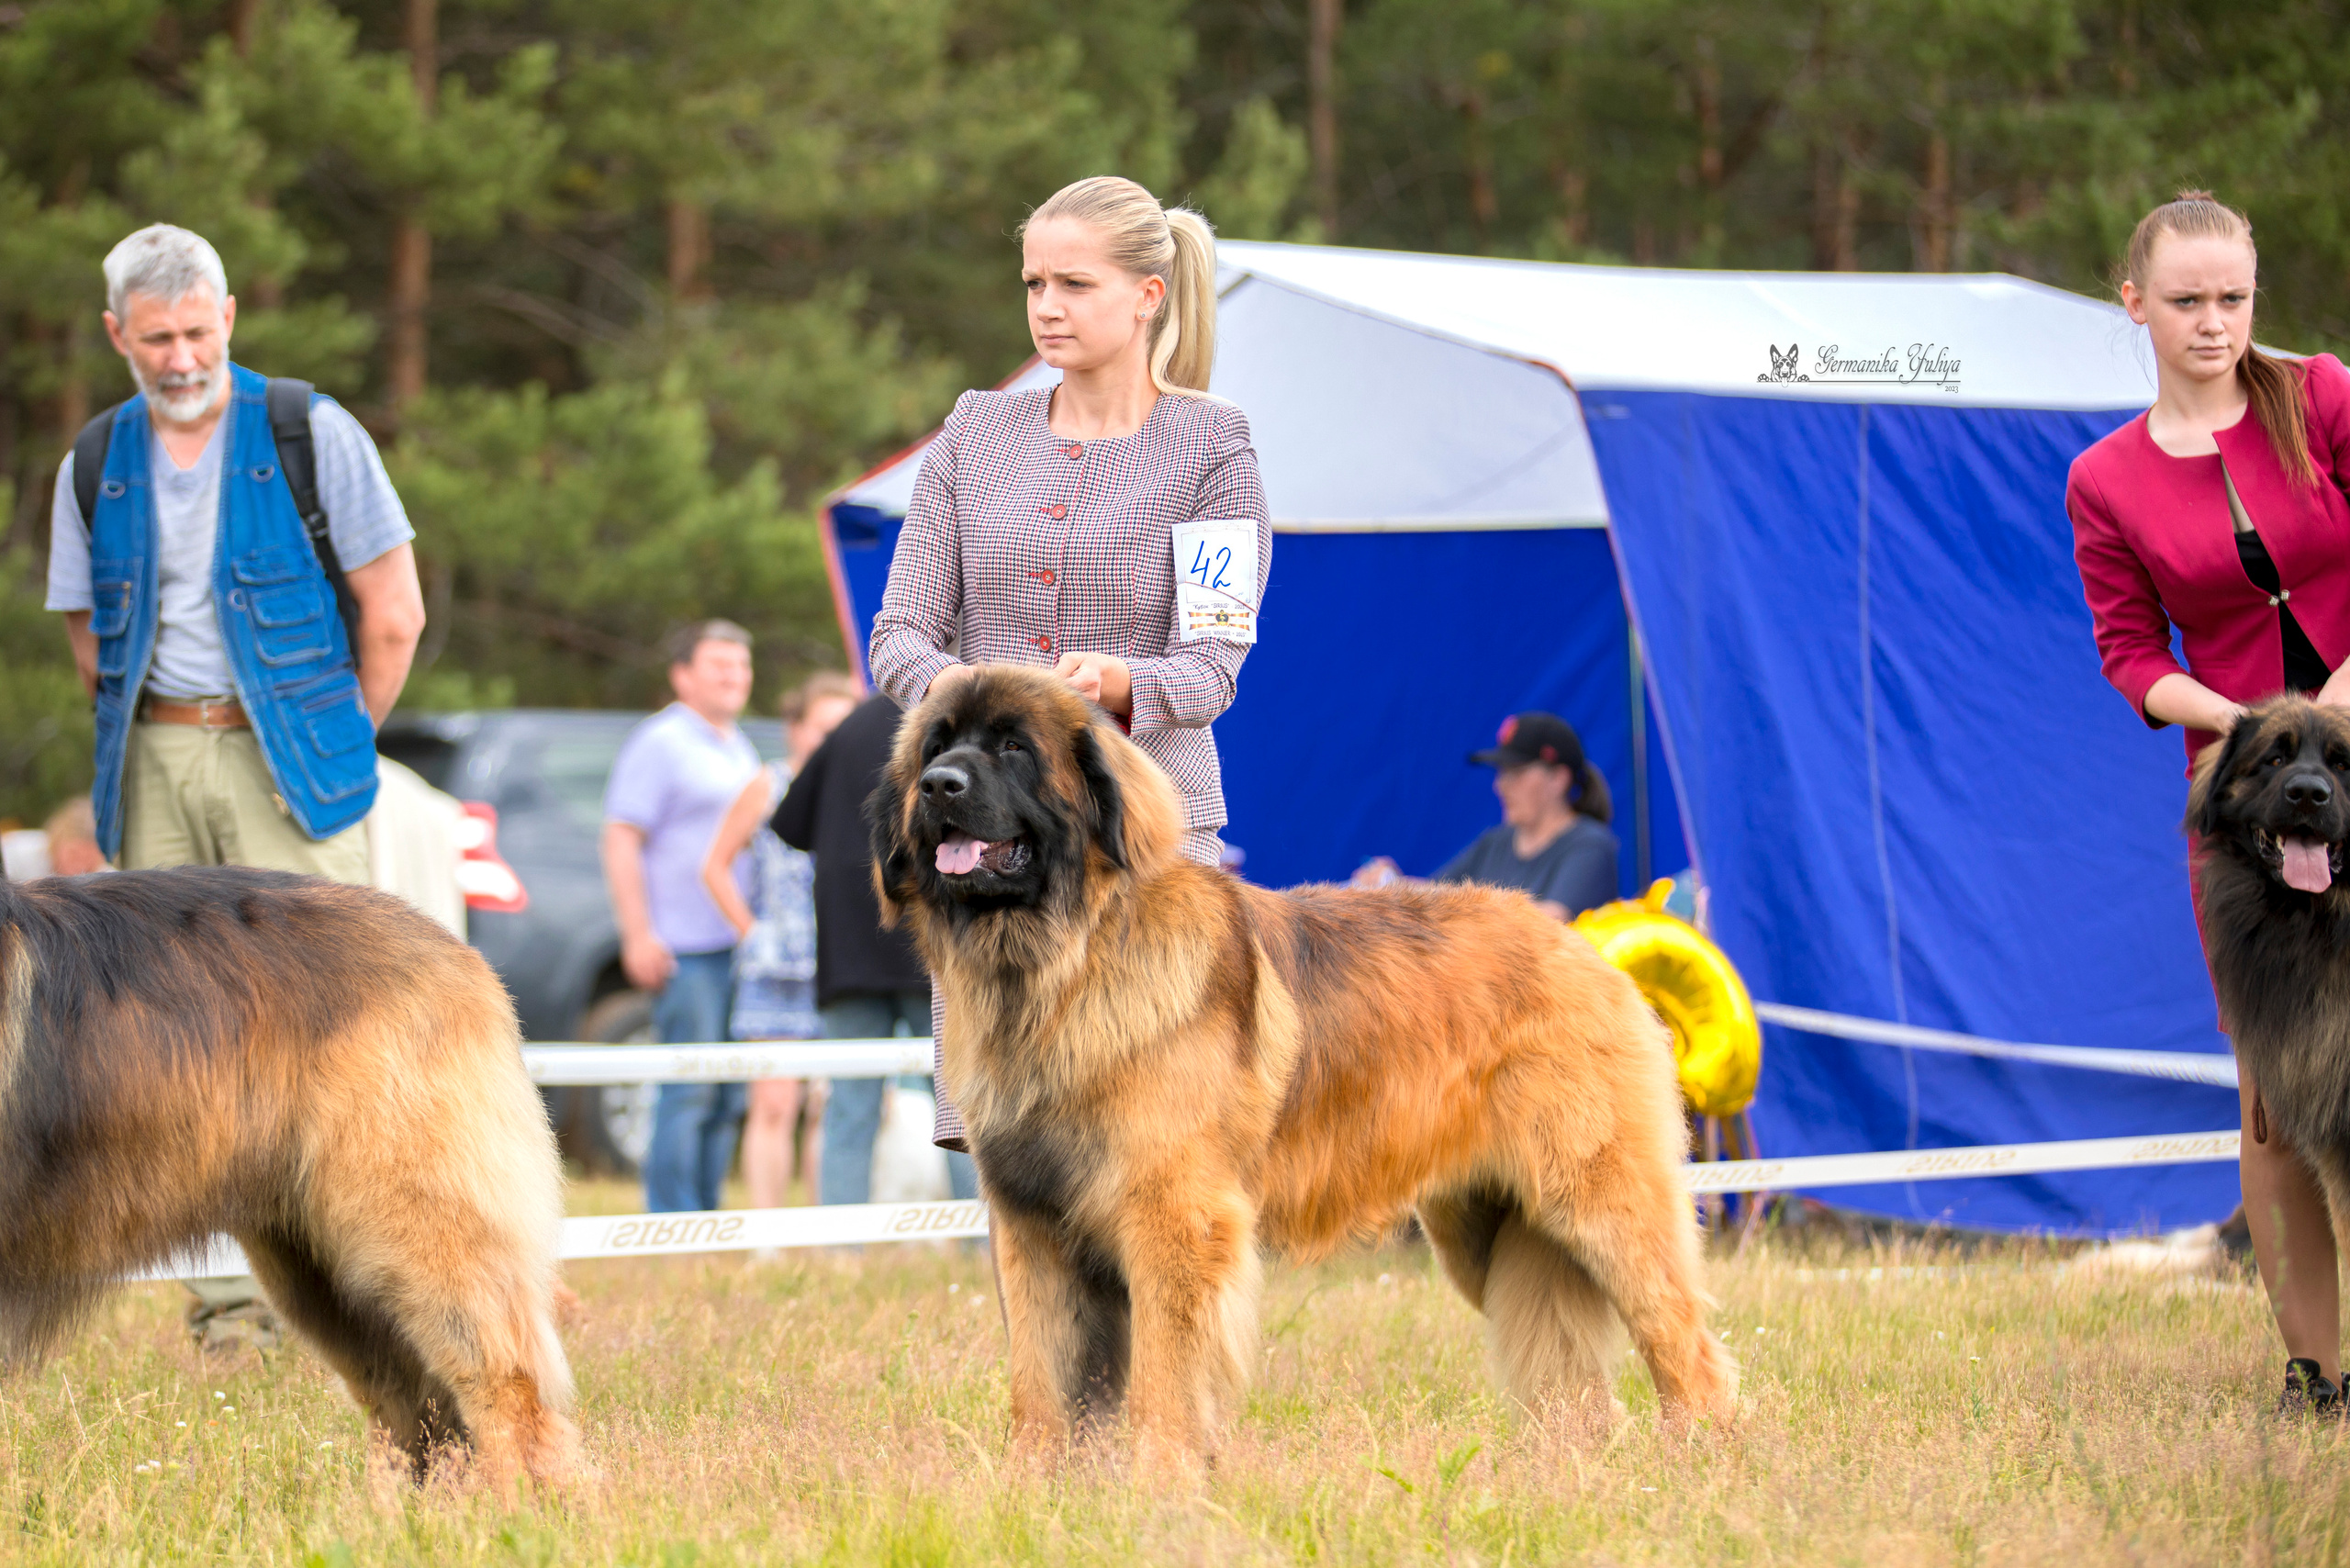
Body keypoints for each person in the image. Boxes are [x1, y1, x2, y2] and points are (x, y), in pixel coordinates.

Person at [44, 223, 425, 1348]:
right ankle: (226, 1312)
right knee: (162, 1048)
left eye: (197, 331)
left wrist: (336, 737)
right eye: (154, 338)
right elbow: (88, 640)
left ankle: (380, 1284)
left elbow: (394, 613)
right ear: (118, 333)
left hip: (291, 761)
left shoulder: (311, 428)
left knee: (331, 1021)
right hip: (154, 761)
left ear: (228, 318)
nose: (179, 357)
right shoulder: (94, 457)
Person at [867, 174, 1271, 1153]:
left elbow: (1211, 668)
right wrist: (974, 699)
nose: (1046, 307)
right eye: (1033, 283)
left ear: (1147, 295)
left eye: (1074, 285)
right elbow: (899, 637)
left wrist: (1122, 684)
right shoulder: (973, 429)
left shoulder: (1213, 444)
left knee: (1159, 1154)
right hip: (984, 860)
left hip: (1144, 854)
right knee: (1009, 1159)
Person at [2067, 190, 2350, 1417]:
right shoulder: (2107, 478)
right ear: (2134, 304)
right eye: (2186, 301)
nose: (2214, 322)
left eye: (2233, 298)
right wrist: (2229, 722)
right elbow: (2128, 651)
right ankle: (2321, 1373)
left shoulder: (2325, 397)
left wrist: (2340, 704)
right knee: (2278, 1099)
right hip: (2242, 792)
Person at [774, 691, 979, 1205]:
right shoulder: (957, 726)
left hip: (846, 946)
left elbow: (790, 824)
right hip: (928, 940)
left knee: (849, 1103)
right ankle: (979, 1238)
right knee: (958, 1098)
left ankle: (842, 1243)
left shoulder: (849, 727)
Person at [602, 621, 764, 1214]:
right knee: (688, 1085)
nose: (734, 677)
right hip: (683, 947)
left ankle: (708, 1216)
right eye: (719, 665)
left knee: (725, 1092)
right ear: (683, 675)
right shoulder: (661, 741)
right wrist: (638, 933)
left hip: (734, 944)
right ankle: (672, 1221)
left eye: (742, 666)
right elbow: (621, 839)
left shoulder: (736, 745)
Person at [700, 670, 860, 1216]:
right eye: (821, 728)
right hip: (775, 967)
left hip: (836, 960)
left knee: (828, 1104)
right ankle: (768, 1231)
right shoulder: (767, 785)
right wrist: (752, 931)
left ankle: (821, 1226)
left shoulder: (861, 786)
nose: (829, 740)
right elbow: (715, 866)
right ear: (795, 728)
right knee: (773, 1103)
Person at [1352, 711, 1621, 920]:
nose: (1500, 786)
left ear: (1558, 780)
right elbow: (1439, 891)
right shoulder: (1495, 842)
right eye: (1500, 773)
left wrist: (1421, 896)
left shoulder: (1591, 846)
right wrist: (1393, 887)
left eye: (1515, 773)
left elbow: (1552, 921)